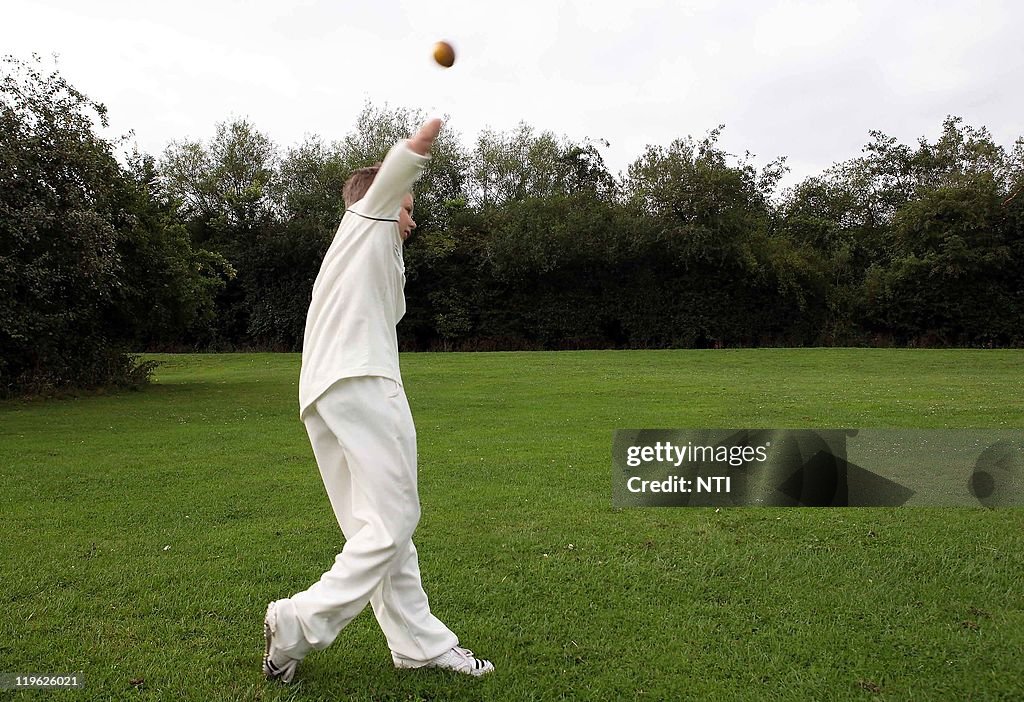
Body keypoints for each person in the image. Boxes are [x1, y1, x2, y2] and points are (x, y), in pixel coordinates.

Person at [262, 118, 494, 683]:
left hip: (325, 390)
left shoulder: (366, 256)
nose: (411, 219)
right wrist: (415, 151)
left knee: (378, 528)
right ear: (382, 203)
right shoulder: (365, 222)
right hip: (362, 383)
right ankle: (298, 622)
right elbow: (385, 186)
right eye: (407, 208)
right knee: (394, 520)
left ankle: (418, 643)